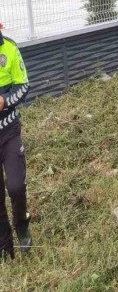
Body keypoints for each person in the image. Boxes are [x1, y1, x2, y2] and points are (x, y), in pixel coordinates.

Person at [0, 22, 31, 261]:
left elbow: (24, 86)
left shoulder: (9, 49)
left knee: (16, 187)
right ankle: (5, 249)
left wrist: (5, 101)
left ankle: (22, 225)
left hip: (9, 131)